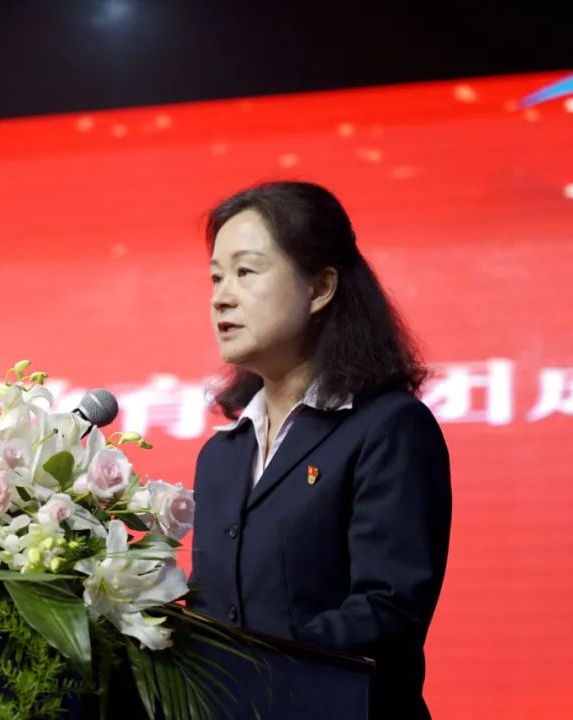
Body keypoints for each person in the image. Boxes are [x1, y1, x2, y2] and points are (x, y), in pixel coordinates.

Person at [188, 181, 451, 719]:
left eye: (246, 272)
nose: (221, 296)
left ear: (321, 287)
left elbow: (387, 609)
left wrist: (250, 673)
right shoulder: (221, 457)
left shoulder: (388, 428)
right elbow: (213, 609)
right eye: (216, 276)